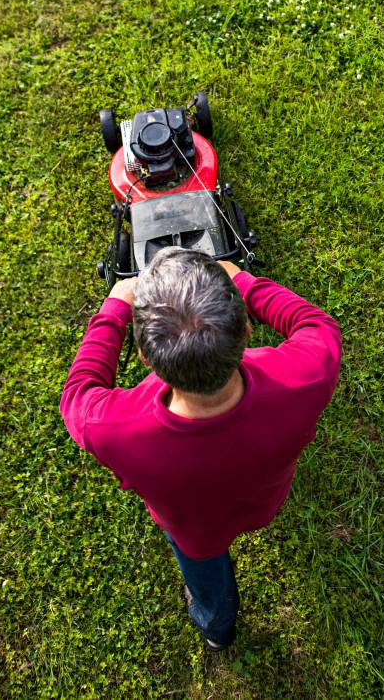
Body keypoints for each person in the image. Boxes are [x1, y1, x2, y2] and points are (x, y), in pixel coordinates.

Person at [59, 247, 342, 652]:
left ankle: (217, 627)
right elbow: (317, 325)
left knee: (205, 573)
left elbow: (77, 394)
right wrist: (245, 281)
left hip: (196, 533)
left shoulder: (115, 429)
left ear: (144, 356)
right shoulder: (304, 379)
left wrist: (114, 309)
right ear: (246, 328)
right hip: (264, 501)